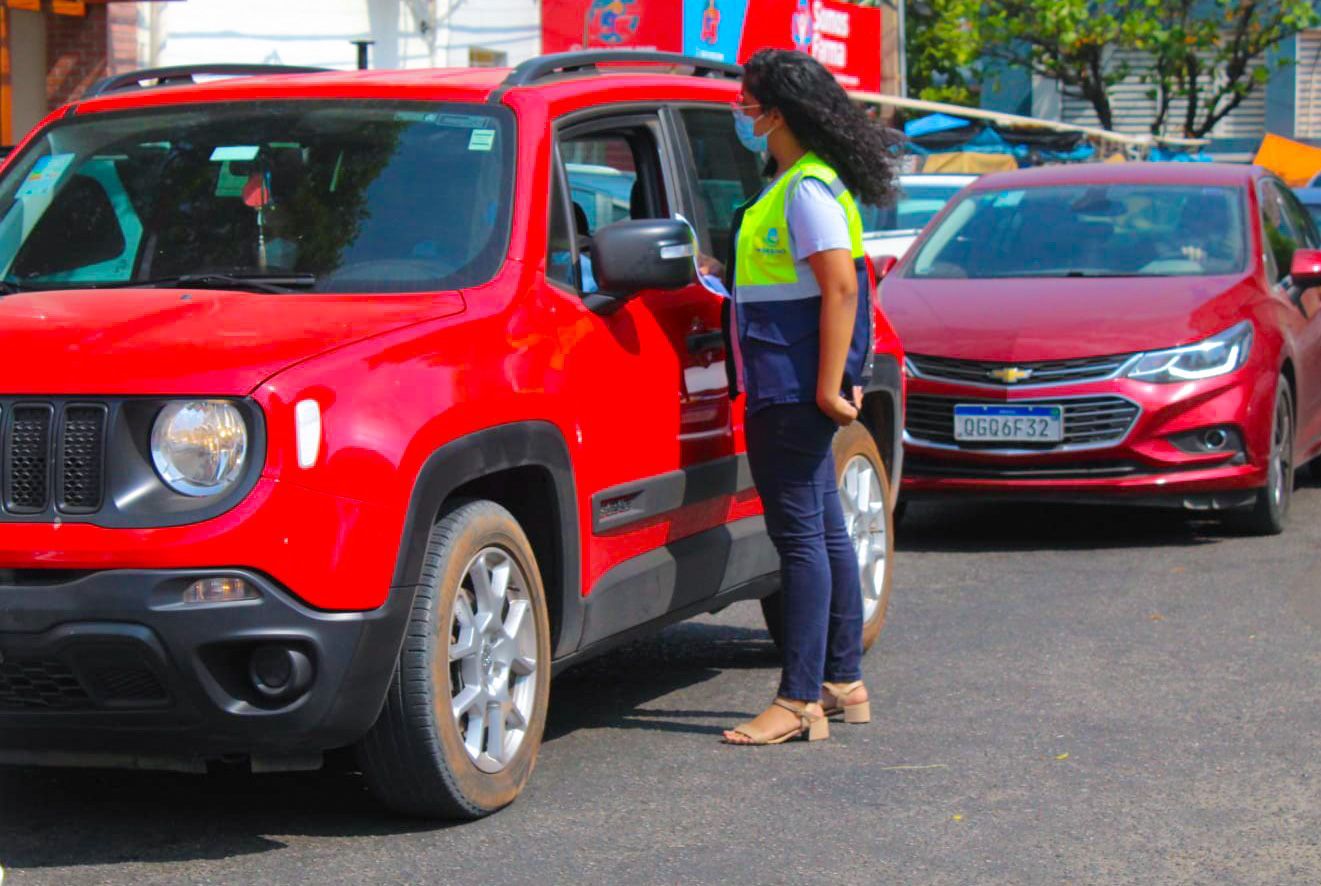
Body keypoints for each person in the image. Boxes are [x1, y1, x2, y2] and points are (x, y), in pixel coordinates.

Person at [720, 48, 895, 746]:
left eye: (748, 101)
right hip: (791, 383)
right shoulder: (797, 184)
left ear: (777, 114)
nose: (742, 111)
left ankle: (797, 701)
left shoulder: (805, 189)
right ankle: (841, 681)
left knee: (800, 543)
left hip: (789, 388)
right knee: (823, 533)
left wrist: (825, 385)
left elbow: (842, 286)